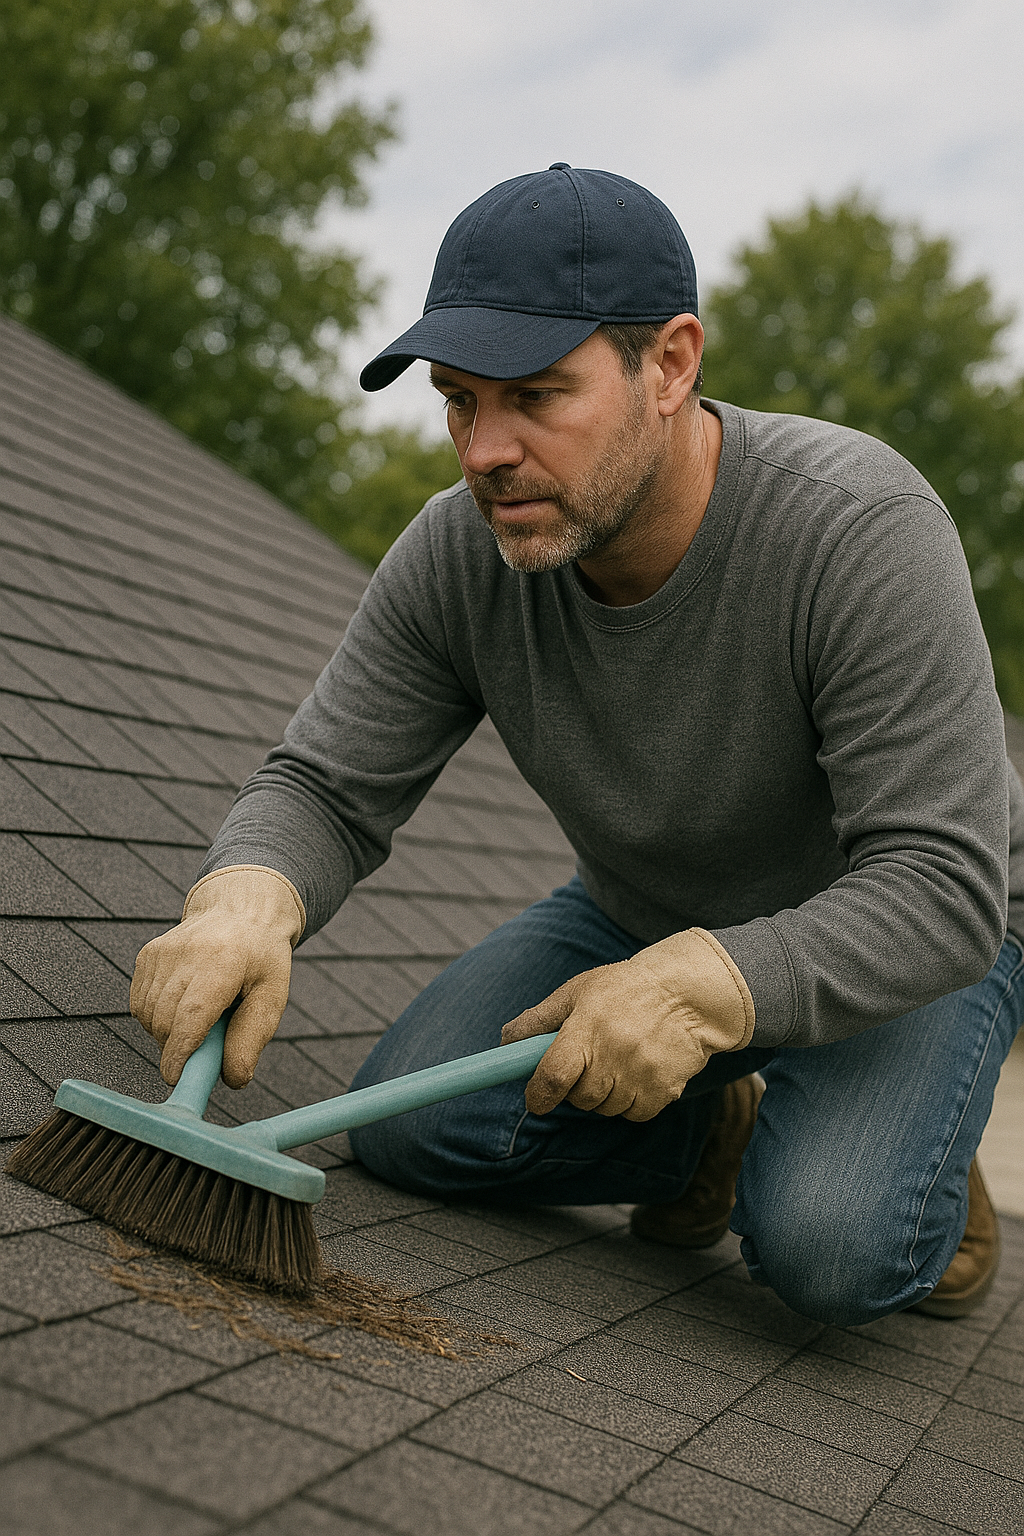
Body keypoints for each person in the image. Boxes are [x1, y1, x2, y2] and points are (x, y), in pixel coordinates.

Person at [131, 164, 1024, 1326]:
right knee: (406, 1127)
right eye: (457, 400)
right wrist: (246, 896)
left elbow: (945, 886)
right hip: (643, 909)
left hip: (910, 933)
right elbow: (325, 784)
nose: (482, 450)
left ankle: (906, 1168)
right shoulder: (460, 552)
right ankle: (715, 1129)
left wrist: (713, 986)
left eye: (534, 396)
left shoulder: (857, 529)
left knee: (826, 1245)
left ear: (670, 364)